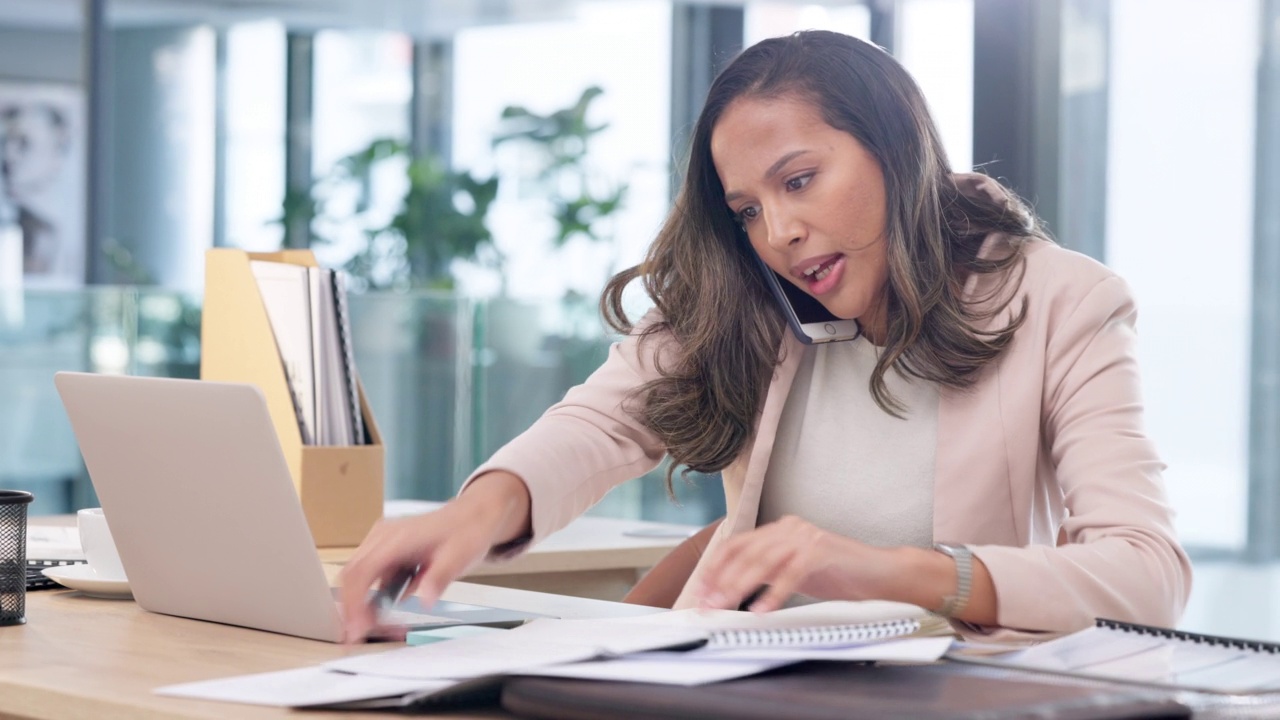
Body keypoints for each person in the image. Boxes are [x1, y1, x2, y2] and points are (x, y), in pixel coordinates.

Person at [339, 30, 1191, 643]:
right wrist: (475, 512)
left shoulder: (1064, 302)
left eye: (801, 180)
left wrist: (890, 570)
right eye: (747, 209)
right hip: (744, 682)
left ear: (897, 151)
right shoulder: (751, 290)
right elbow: (599, 423)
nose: (777, 231)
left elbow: (1146, 574)